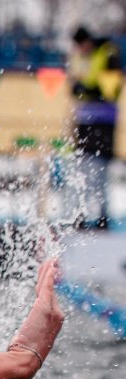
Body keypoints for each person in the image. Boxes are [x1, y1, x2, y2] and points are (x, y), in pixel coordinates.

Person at [69, 26, 122, 230]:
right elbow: (75, 86)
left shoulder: (107, 53)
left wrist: (87, 90)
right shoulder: (80, 57)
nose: (82, 50)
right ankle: (80, 215)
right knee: (82, 170)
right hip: (84, 120)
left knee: (100, 172)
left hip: (104, 122)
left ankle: (101, 217)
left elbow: (110, 90)